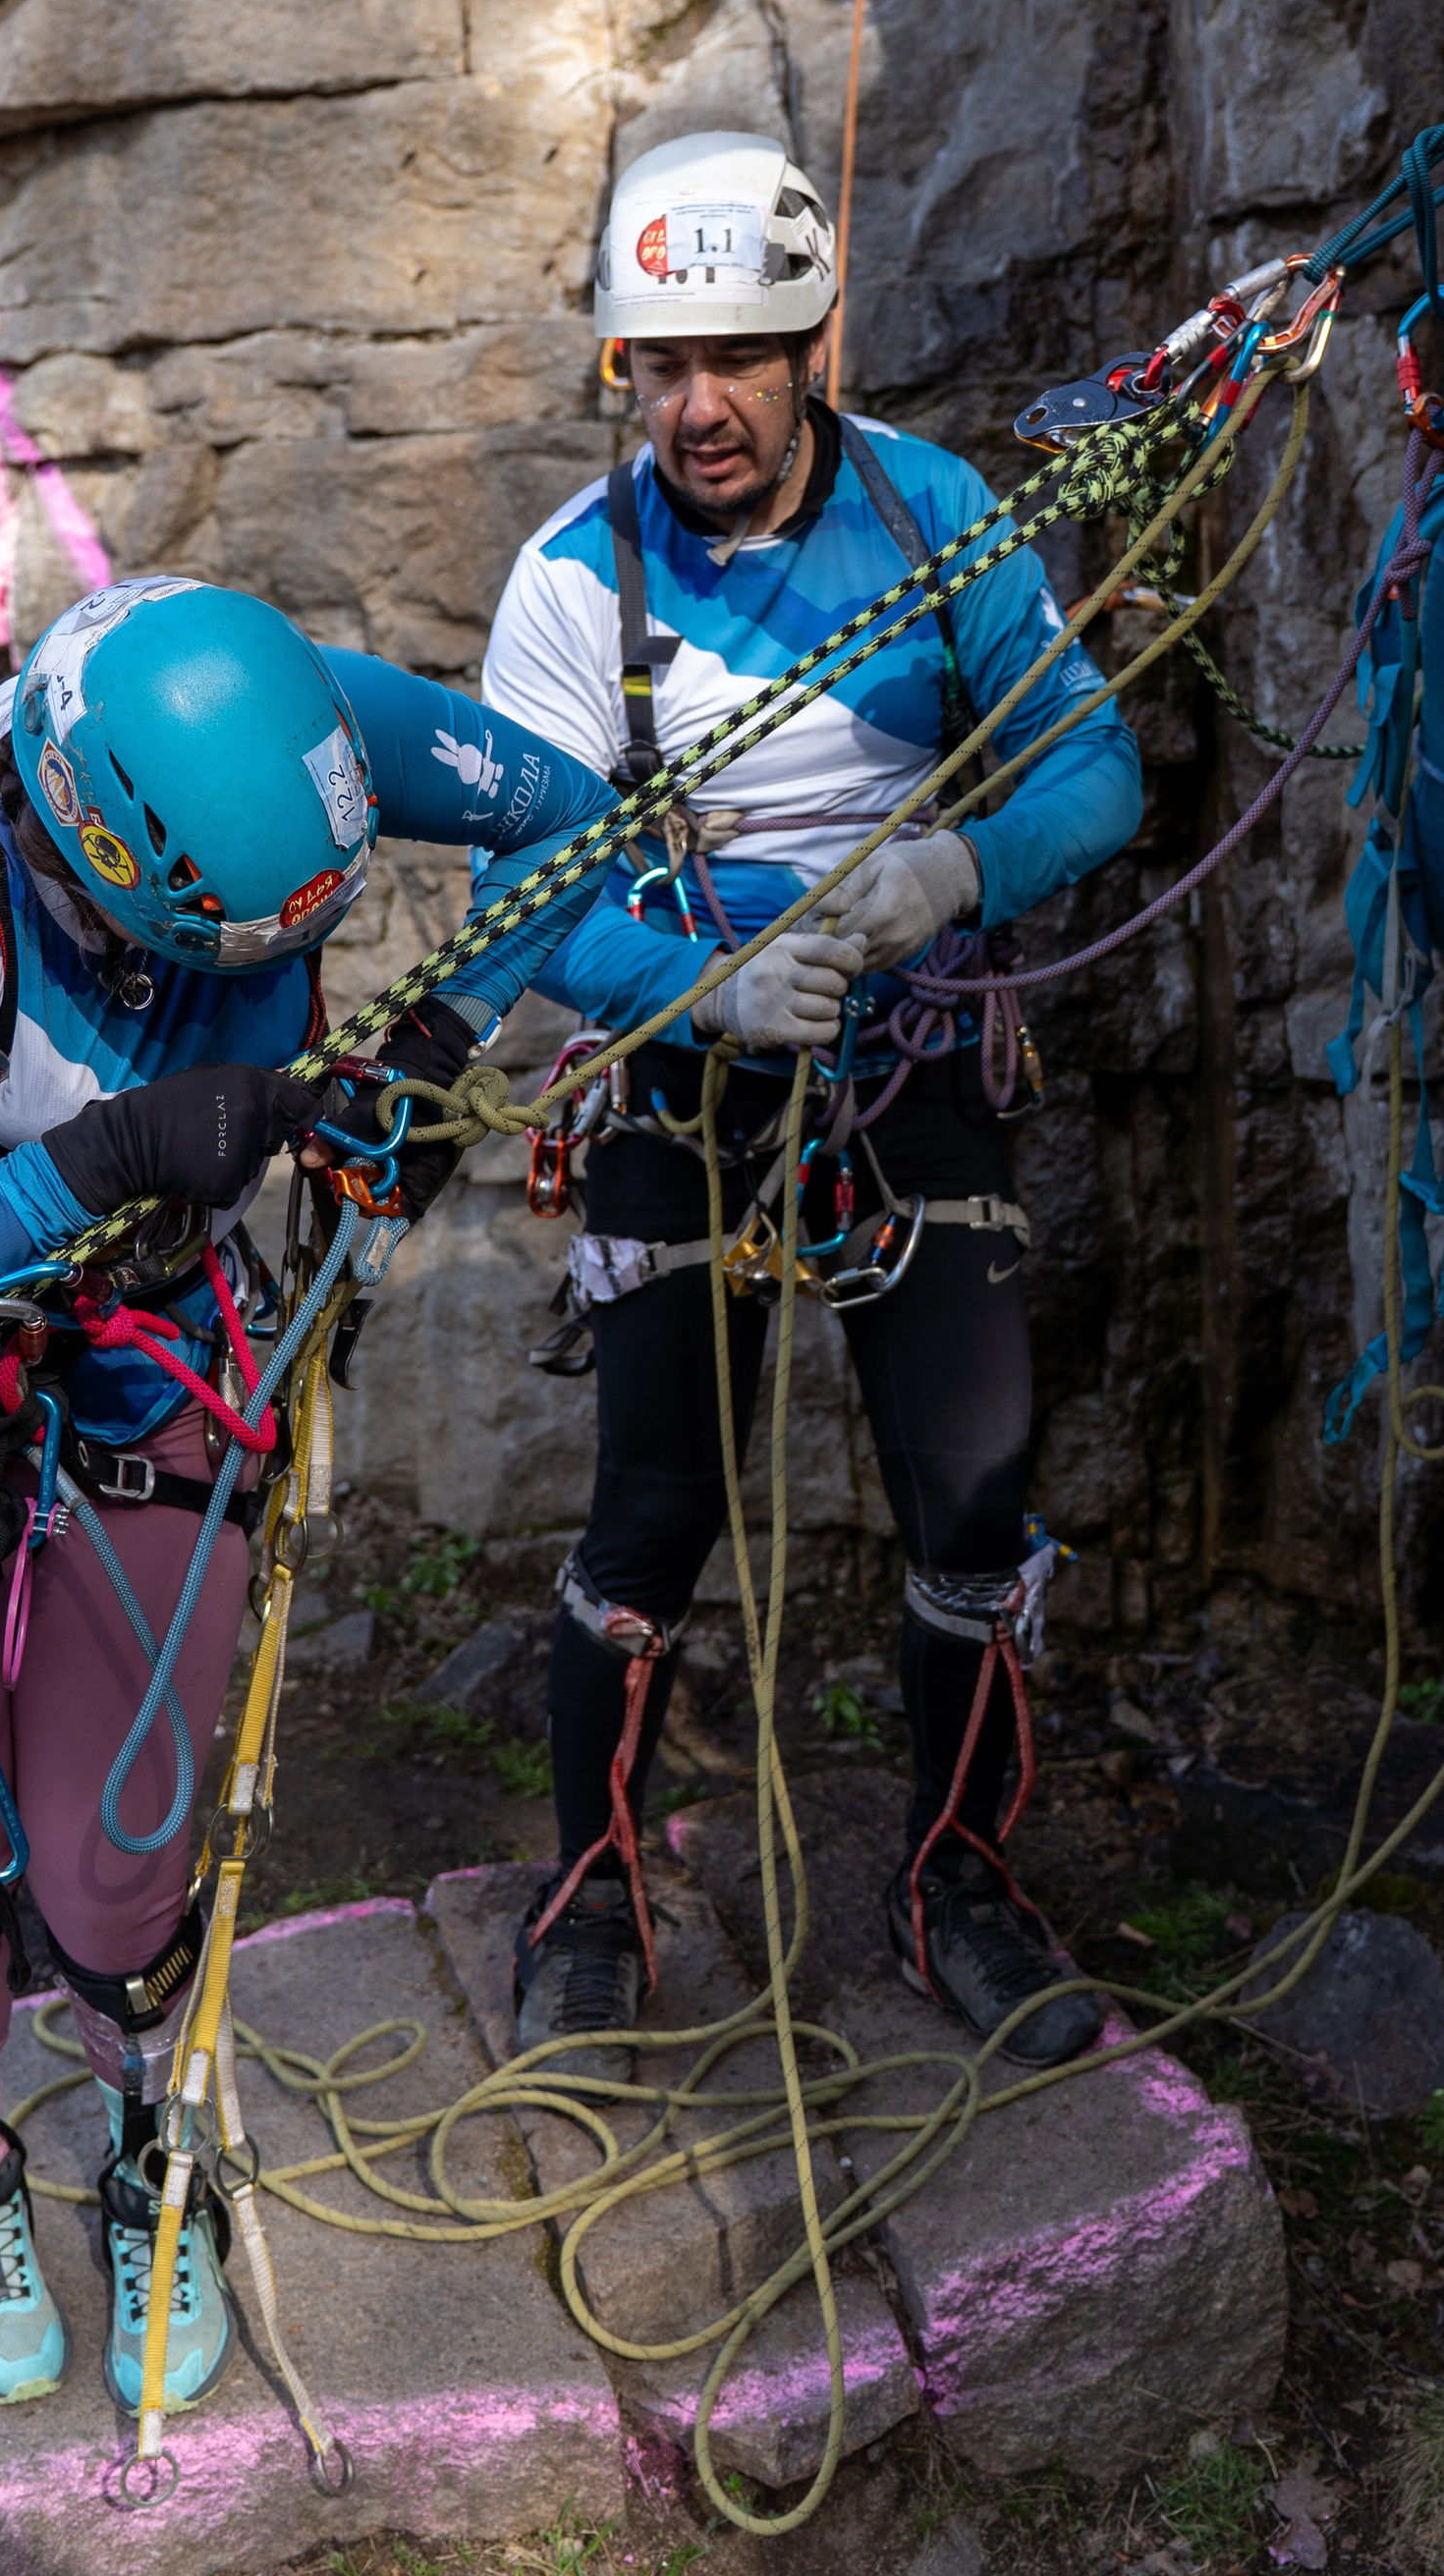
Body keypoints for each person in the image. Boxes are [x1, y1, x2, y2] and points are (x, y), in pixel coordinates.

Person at [0, 575, 616, 2410]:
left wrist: (439, 1041)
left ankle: (154, 2133)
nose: (239, 994)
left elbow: (572, 814)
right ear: (92, 859)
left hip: (159, 1358)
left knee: (121, 1843)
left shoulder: (301, 732)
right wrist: (110, 1154)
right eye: (203, 959)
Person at [479, 133, 1145, 2078]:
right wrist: (680, 980)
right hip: (675, 1075)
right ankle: (586, 1896)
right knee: (652, 1507)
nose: (694, 406)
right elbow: (511, 905)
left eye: (737, 359)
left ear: (809, 342)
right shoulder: (566, 586)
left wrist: (953, 877)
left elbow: (1092, 768)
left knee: (967, 1483)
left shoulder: (932, 520)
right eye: (654, 368)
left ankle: (958, 1883)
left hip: (902, 1050)